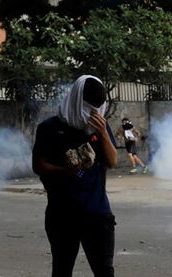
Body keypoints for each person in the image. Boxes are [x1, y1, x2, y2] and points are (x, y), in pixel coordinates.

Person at [32, 75, 117, 277]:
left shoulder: (100, 127)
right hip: (62, 215)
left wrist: (103, 133)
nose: (93, 113)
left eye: (98, 107)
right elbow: (38, 165)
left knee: (105, 270)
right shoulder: (49, 128)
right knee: (62, 269)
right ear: (76, 100)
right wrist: (64, 171)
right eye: (89, 108)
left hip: (97, 214)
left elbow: (112, 161)